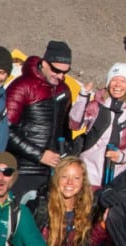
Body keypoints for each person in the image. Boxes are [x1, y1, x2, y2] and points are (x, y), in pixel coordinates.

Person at [6, 40, 77, 202]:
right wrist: (39, 155)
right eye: (56, 70)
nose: (60, 76)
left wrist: (67, 151)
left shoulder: (63, 90)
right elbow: (6, 130)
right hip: (24, 170)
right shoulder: (21, 86)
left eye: (65, 72)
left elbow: (67, 130)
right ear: (44, 63)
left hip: (53, 171)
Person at [69, 62, 126, 188]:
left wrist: (121, 156)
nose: (118, 85)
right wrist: (82, 96)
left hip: (116, 177)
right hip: (88, 174)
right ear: (108, 82)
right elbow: (75, 124)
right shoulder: (96, 106)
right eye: (114, 80)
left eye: (123, 81)